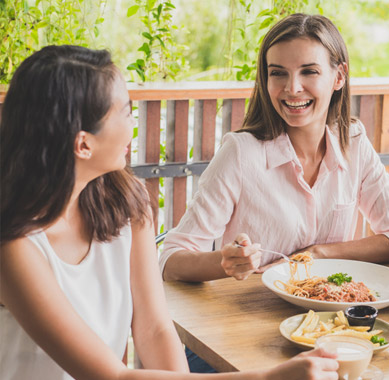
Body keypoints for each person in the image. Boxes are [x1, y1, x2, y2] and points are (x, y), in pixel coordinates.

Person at [0, 45, 339, 380]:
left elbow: (154, 329)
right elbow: (111, 377)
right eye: (124, 111)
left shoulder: (125, 204)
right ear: (83, 144)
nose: (133, 123)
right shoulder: (15, 247)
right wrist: (267, 379)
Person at [160, 13, 389, 283]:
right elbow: (170, 261)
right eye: (278, 73)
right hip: (248, 316)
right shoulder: (241, 153)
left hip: (332, 317)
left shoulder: (353, 142)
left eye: (309, 71)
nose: (292, 88)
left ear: (338, 77)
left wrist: (319, 254)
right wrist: (225, 262)